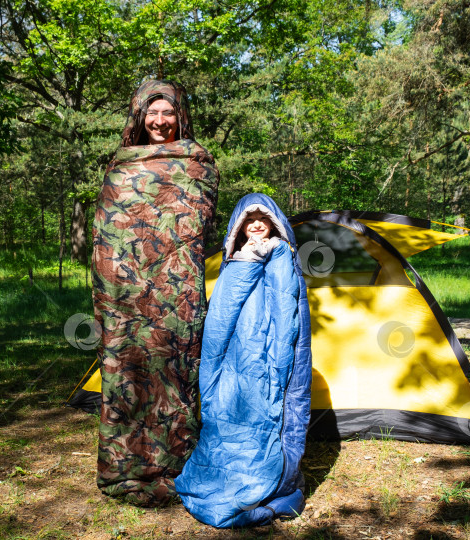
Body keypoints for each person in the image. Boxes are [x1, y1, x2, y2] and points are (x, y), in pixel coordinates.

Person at [91, 79, 219, 507]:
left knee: (175, 372)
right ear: (138, 116)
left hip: (176, 292)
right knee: (127, 373)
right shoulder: (120, 166)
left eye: (168, 113)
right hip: (125, 295)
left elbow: (198, 228)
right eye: (152, 113)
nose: (160, 122)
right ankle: (125, 465)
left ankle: (176, 462)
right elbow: (107, 233)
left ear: (180, 115)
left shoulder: (198, 162)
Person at [174, 193, 313, 528]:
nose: (255, 225)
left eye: (262, 220)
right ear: (238, 228)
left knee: (279, 406)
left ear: (274, 225)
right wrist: (246, 262)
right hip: (236, 361)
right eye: (249, 220)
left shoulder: (286, 259)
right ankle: (230, 472)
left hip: (274, 359)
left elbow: (293, 313)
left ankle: (276, 475)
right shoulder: (233, 263)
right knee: (226, 407)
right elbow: (220, 319)